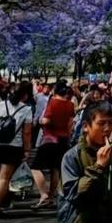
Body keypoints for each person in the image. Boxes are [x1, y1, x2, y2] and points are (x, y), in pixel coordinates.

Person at [0, 79, 35, 216]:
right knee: (3, 178)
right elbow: (27, 132)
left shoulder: (0, 105)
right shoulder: (26, 109)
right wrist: (27, 150)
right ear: (26, 95)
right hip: (12, 147)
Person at [34, 81, 76, 209]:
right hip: (64, 139)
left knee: (35, 167)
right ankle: (51, 197)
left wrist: (40, 121)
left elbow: (46, 120)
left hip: (50, 138)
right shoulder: (70, 105)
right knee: (55, 168)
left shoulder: (52, 102)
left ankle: (43, 194)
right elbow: (70, 124)